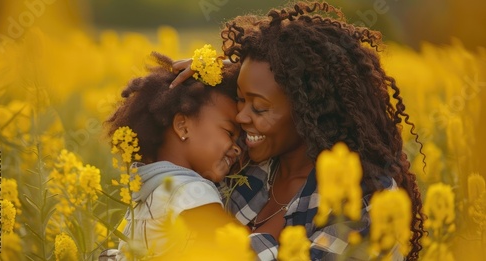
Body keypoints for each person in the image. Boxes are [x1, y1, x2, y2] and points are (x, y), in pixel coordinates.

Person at [170, 1, 425, 261]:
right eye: (240, 98)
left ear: (307, 110)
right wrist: (208, 82)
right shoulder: (246, 160)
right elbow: (157, 155)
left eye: (259, 108)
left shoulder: (367, 199)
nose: (241, 116)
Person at [101, 52, 244, 260]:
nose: (238, 148)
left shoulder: (147, 193)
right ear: (182, 126)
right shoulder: (190, 191)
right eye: (230, 133)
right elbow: (239, 249)